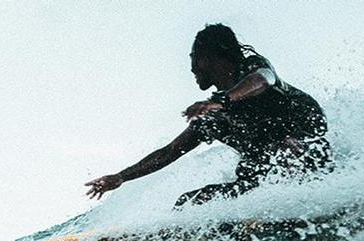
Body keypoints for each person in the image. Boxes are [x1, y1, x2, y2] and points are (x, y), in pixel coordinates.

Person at [85, 24, 331, 207]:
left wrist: (221, 100)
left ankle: (313, 202)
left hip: (306, 144)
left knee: (284, 148)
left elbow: (262, 80)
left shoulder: (253, 69)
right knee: (190, 201)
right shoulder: (214, 118)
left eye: (193, 58)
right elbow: (169, 152)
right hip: (267, 169)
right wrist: (120, 177)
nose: (192, 68)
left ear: (208, 57)